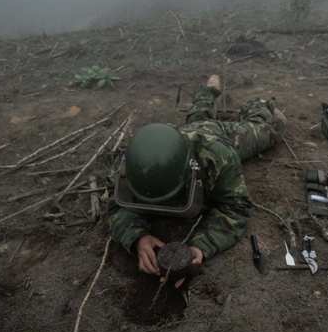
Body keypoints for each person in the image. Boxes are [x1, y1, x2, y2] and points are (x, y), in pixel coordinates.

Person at [107, 75, 286, 287]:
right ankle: (208, 92)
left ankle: (258, 104)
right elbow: (117, 205)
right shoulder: (129, 163)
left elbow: (236, 208)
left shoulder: (218, 156)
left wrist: (202, 245)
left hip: (216, 136)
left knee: (273, 128)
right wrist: (136, 236)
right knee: (198, 120)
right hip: (186, 135)